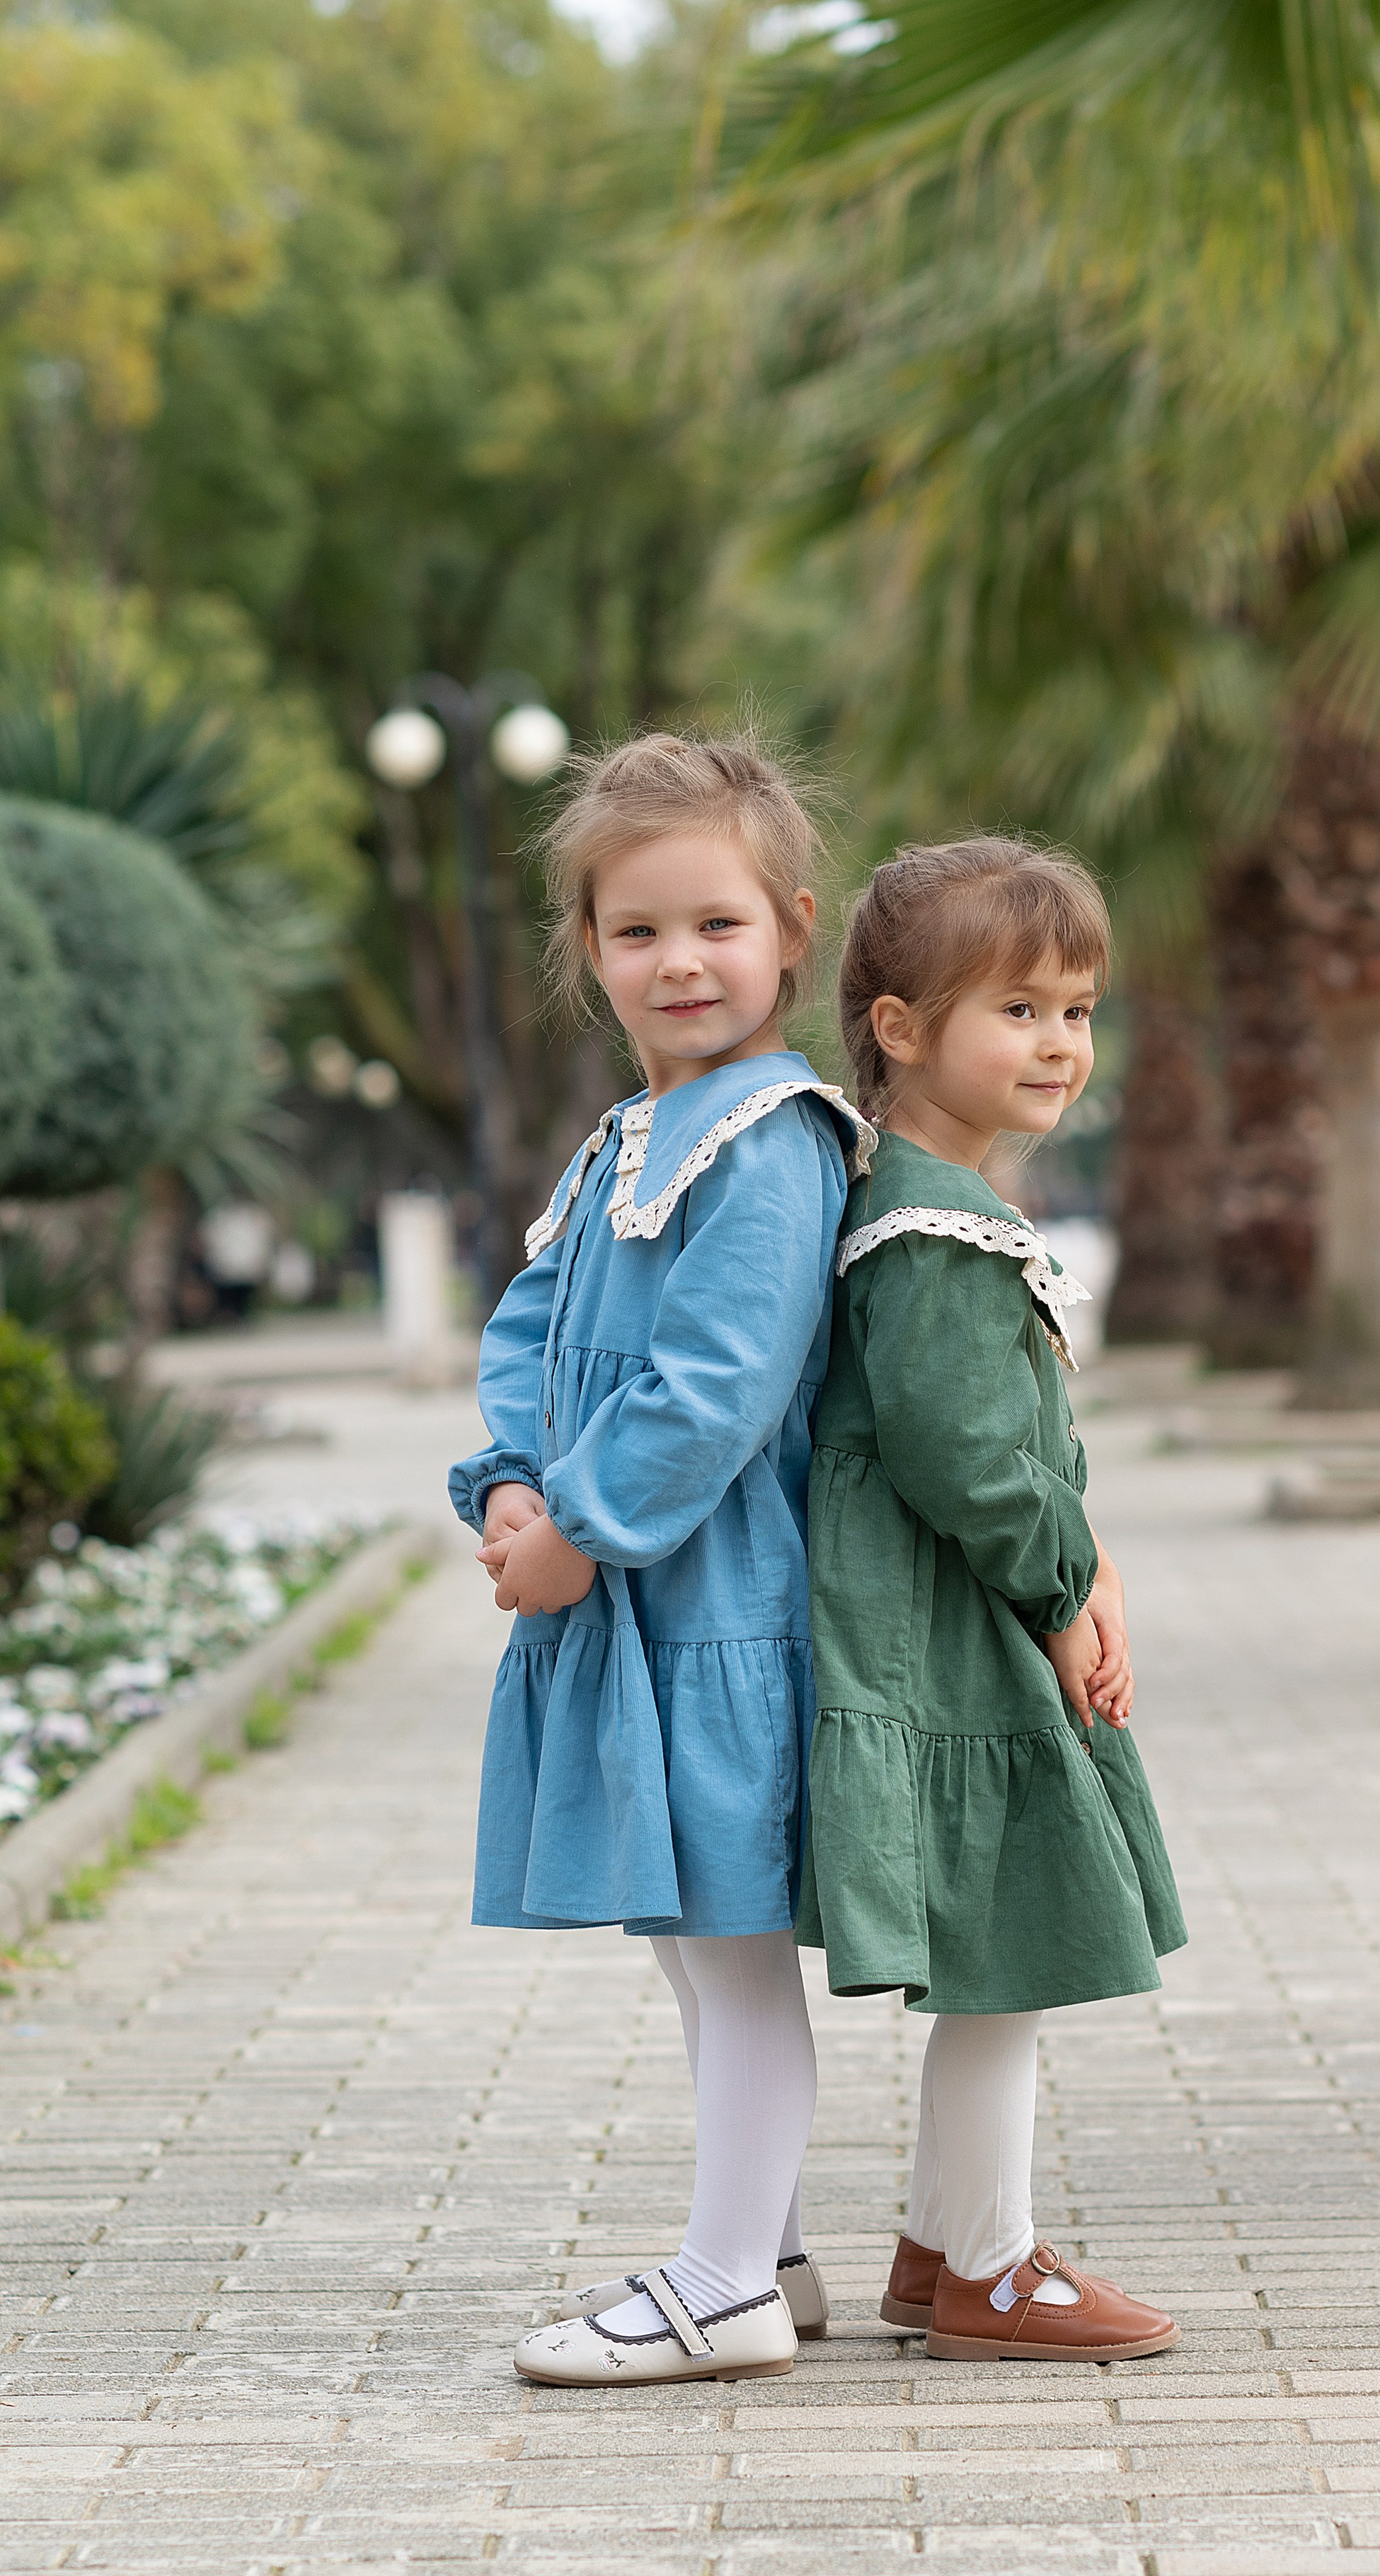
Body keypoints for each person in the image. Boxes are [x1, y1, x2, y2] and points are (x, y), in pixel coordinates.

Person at [447, 732, 873, 2390]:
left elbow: (718, 1380)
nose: (676, 961)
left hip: (716, 1609)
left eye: (714, 923)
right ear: (589, 951)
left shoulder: (767, 1137)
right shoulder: (626, 1134)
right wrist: (503, 1489)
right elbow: (530, 1323)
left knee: (731, 1941)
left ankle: (723, 2283)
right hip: (619, 1600)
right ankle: (762, 2248)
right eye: (635, 932)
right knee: (692, 1951)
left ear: (789, 928)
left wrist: (589, 1525)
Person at [801, 836, 1188, 2362]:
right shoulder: (930, 1225)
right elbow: (959, 1449)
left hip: (968, 1617)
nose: (1057, 1044)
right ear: (898, 1027)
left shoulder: (933, 1196)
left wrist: (1078, 1568)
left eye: (1075, 1010)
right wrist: (1056, 1591)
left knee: (996, 1940)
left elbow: (999, 1447)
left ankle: (935, 2242)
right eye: (1015, 1009)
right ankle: (990, 2262)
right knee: (1004, 1943)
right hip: (948, 1633)